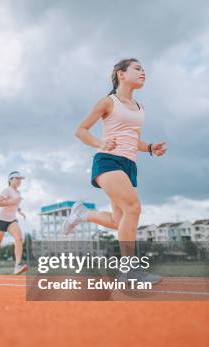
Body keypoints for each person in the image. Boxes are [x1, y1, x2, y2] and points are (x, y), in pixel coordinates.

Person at [63, 58, 166, 283]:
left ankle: (82, 214)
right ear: (121, 73)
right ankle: (128, 271)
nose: (143, 72)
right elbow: (80, 130)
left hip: (129, 165)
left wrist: (149, 148)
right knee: (134, 207)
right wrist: (99, 143)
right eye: (137, 68)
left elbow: (134, 140)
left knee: (119, 221)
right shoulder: (108, 102)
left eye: (143, 69)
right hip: (108, 160)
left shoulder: (140, 109)